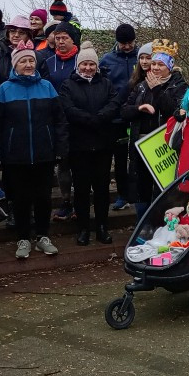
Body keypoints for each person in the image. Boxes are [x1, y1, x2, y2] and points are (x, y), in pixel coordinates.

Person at [0, 41, 68, 260]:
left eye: (31, 61)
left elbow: (59, 120)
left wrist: (60, 147)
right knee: (20, 198)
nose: (28, 64)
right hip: (15, 156)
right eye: (23, 61)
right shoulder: (5, 89)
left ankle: (43, 237)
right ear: (15, 65)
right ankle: (23, 238)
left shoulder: (46, 86)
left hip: (44, 153)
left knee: (43, 198)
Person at [59, 41, 120, 246]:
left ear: (96, 65)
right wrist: (89, 119)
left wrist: (100, 117)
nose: (88, 68)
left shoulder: (106, 83)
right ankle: (83, 228)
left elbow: (114, 103)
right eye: (84, 64)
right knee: (82, 189)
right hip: (79, 145)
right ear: (78, 65)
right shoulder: (69, 84)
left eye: (91, 64)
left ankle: (102, 227)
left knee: (102, 189)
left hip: (102, 144)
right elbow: (67, 108)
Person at [122, 40, 187, 219]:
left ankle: (161, 224)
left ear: (170, 67)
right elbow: (124, 111)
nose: (155, 68)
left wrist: (158, 90)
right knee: (141, 187)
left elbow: (176, 112)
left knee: (163, 188)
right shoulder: (141, 85)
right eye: (153, 64)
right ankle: (142, 225)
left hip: (165, 146)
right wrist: (138, 108)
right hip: (142, 145)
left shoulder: (179, 86)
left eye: (160, 64)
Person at [38, 20, 81, 220]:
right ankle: (66, 201)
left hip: (80, 120)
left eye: (65, 38)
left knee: (81, 164)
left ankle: (80, 202)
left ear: (74, 40)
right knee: (63, 165)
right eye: (58, 38)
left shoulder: (82, 60)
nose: (61, 41)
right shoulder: (48, 63)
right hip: (58, 120)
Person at [99, 24, 139, 209]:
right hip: (116, 119)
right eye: (123, 43)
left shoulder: (142, 58)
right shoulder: (106, 60)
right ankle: (122, 195)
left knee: (138, 159)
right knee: (121, 160)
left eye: (130, 42)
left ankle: (137, 193)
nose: (127, 46)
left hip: (138, 115)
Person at [0, 15, 34, 98]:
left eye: (21, 32)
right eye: (12, 31)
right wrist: (10, 87)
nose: (16, 35)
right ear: (8, 34)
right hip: (4, 103)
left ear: (28, 36)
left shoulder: (37, 58)